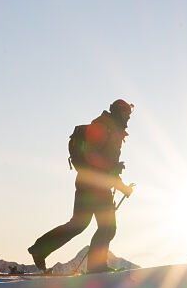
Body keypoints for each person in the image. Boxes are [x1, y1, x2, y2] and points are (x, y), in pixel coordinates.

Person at [29, 99, 135, 273]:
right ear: (118, 112)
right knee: (107, 227)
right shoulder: (104, 127)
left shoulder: (112, 130)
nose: (128, 117)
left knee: (79, 224)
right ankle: (96, 267)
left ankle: (40, 249)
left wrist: (122, 186)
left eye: (129, 114)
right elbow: (91, 155)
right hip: (94, 185)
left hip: (90, 183)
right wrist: (111, 169)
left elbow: (107, 165)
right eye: (126, 113)